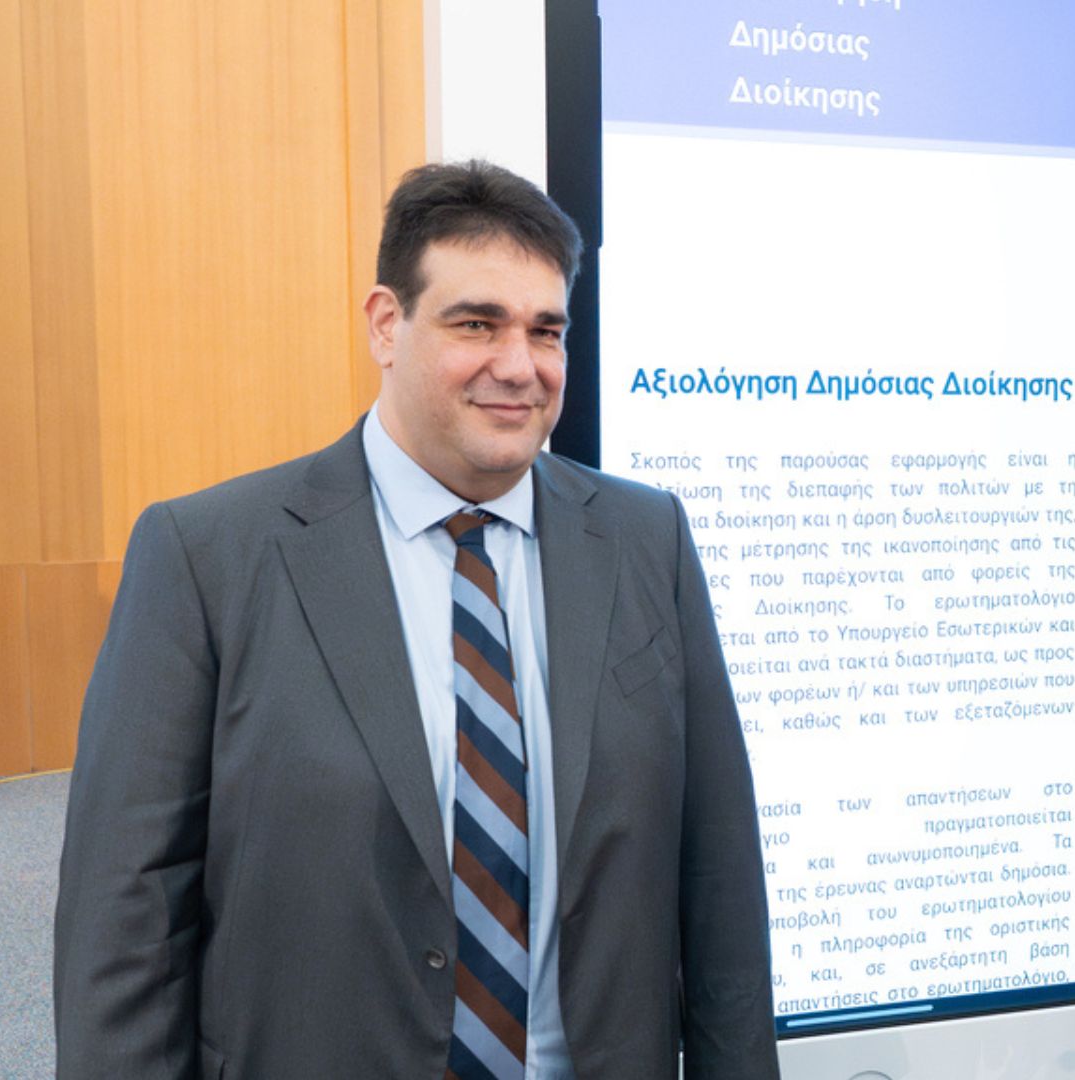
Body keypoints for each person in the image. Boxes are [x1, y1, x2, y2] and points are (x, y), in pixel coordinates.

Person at [54, 161, 781, 1079]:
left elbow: (718, 875)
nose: (518, 366)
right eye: (476, 324)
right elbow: (127, 914)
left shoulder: (647, 540)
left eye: (545, 330)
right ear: (385, 325)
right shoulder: (208, 558)